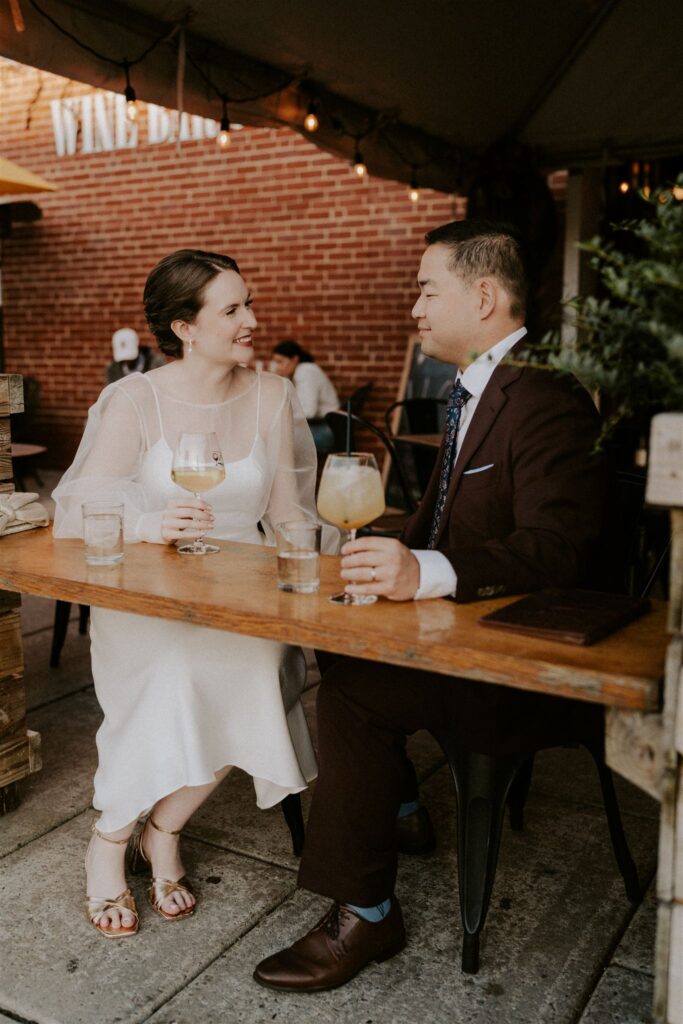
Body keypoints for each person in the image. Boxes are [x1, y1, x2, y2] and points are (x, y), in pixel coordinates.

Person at [253, 220, 605, 991]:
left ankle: (367, 912)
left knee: (348, 694)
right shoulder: (477, 387)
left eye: (425, 289)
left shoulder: (544, 396)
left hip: (516, 662)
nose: (413, 307)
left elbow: (560, 546)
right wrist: (390, 555)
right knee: (335, 639)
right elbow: (445, 515)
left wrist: (425, 571)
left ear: (482, 297)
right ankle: (398, 801)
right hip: (459, 633)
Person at [53, 249, 326, 938]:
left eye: (247, 304)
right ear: (184, 326)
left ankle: (164, 827)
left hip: (246, 585)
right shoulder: (133, 399)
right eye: (232, 309)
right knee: (174, 672)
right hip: (151, 588)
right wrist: (149, 523)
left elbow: (292, 515)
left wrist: (320, 581)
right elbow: (75, 508)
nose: (251, 322)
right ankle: (111, 835)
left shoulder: (274, 395)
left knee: (262, 668)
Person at [270, 340, 339, 450]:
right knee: (275, 438)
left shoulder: (306, 371)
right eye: (275, 362)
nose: (277, 367)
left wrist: (282, 417)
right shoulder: (296, 374)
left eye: (280, 362)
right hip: (319, 426)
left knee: (277, 441)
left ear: (295, 359)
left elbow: (309, 411)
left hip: (326, 429)